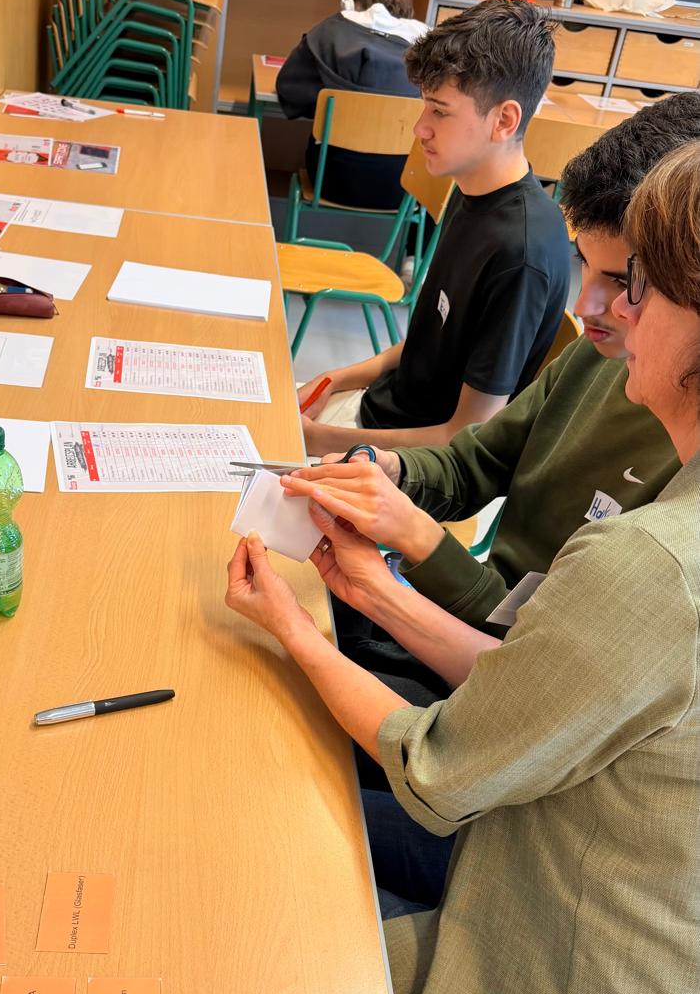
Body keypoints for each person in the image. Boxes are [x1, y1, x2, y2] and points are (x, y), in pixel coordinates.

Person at [224, 140, 700, 994]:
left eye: (639, 287)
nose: (606, 311)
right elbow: (541, 680)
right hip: (595, 896)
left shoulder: (653, 564)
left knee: (263, 916)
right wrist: (377, 570)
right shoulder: (645, 489)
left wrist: (303, 626)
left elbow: (443, 767)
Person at [283, 93, 700, 700]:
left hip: (500, 662)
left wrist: (414, 541)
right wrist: (386, 470)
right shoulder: (600, 356)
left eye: (624, 281)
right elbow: (477, 458)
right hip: (475, 626)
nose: (587, 305)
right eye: (583, 263)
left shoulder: (674, 513)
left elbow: (532, 676)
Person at [297, 0, 570, 458]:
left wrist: (321, 439)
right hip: (379, 417)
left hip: (412, 463)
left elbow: (465, 437)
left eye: (440, 112)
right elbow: (429, 341)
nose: (420, 129)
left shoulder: (520, 253)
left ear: (504, 120)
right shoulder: (470, 189)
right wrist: (334, 379)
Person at [275, 0, 427, 210]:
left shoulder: (329, 33)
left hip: (331, 180)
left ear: (349, 2)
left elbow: (289, 91)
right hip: (401, 189)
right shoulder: (428, 48)